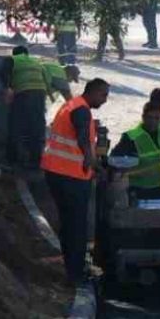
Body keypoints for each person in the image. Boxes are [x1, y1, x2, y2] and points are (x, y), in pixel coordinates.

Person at [41, 78, 111, 283]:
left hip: (56, 171)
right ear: (93, 92)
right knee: (77, 226)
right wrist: (92, 163)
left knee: (69, 223)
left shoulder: (72, 105)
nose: (105, 100)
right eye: (103, 95)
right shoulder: (81, 110)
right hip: (70, 176)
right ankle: (76, 273)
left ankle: (72, 266)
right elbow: (82, 137)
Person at [0, 45, 50, 169]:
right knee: (36, 127)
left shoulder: (12, 59)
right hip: (39, 93)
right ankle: (35, 161)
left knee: (15, 124)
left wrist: (7, 88)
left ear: (15, 54)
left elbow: (3, 72)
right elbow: (47, 79)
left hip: (23, 92)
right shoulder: (36, 62)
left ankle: (12, 159)